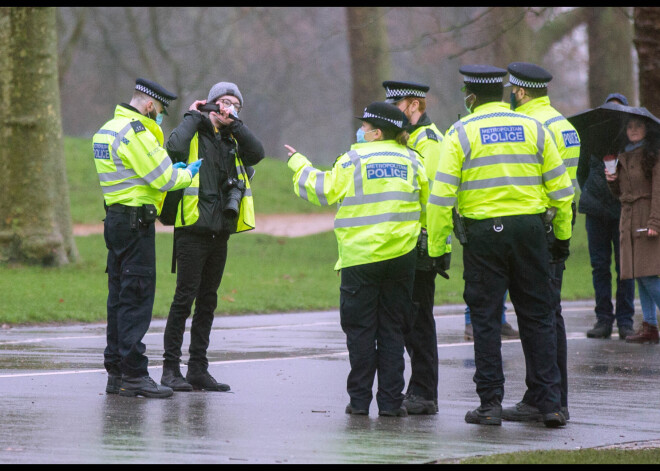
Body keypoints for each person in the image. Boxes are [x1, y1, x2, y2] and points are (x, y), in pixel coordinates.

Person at [426, 64, 573, 428]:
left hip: (483, 236)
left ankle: (490, 404)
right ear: (505, 93)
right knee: (538, 317)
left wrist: (438, 249)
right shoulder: (535, 129)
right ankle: (551, 404)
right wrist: (562, 239)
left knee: (486, 320)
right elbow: (562, 190)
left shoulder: (460, 133)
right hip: (530, 232)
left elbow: (441, 197)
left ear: (471, 96)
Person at [285, 102, 429, 417]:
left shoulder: (353, 159)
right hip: (401, 259)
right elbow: (426, 206)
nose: (360, 131)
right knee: (392, 330)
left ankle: (360, 402)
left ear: (377, 133)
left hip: (360, 259)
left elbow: (323, 190)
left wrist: (298, 163)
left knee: (361, 331)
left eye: (364, 127)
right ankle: (391, 403)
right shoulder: (414, 161)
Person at [92, 78, 200, 398]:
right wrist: (186, 173)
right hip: (137, 224)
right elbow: (164, 177)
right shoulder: (137, 132)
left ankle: (116, 372)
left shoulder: (108, 129)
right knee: (137, 298)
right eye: (161, 111)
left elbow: (133, 176)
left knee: (118, 297)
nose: (161, 117)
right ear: (150, 106)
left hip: (114, 219)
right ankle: (135, 375)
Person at [160, 82, 265, 392]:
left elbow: (258, 153)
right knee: (184, 299)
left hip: (221, 232)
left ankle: (198, 368)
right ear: (211, 103)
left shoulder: (234, 139)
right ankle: (169, 369)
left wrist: (237, 125)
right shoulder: (194, 131)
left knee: (208, 302)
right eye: (223, 101)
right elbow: (173, 149)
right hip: (192, 229)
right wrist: (193, 116)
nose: (228, 108)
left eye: (234, 104)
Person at [500, 62, 580, 423]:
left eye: (511, 92)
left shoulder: (530, 127)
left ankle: (546, 397)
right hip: (557, 225)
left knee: (539, 317)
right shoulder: (564, 125)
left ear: (520, 92)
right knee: (550, 315)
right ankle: (548, 393)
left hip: (537, 229)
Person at [381, 80, 444, 414]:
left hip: (421, 242)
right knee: (409, 318)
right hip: (407, 241)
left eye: (398, 105)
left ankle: (424, 392)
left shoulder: (428, 142)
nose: (393, 111)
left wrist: (431, 245)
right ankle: (418, 388)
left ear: (415, 105)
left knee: (419, 320)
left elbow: (432, 197)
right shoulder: (409, 139)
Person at [578, 94, 636, 340]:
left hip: (623, 211)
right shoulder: (591, 141)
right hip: (595, 213)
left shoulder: (631, 143)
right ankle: (603, 318)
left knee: (625, 268)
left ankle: (625, 321)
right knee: (599, 266)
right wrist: (592, 193)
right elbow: (581, 173)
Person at [606, 113, 660, 344]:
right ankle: (650, 325)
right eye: (630, 126)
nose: (634, 130)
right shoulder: (622, 155)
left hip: (647, 217)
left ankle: (651, 323)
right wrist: (612, 180)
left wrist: (655, 222)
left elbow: (658, 191)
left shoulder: (653, 156)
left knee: (648, 274)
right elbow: (620, 194)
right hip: (628, 220)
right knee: (639, 274)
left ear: (647, 130)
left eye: (638, 126)